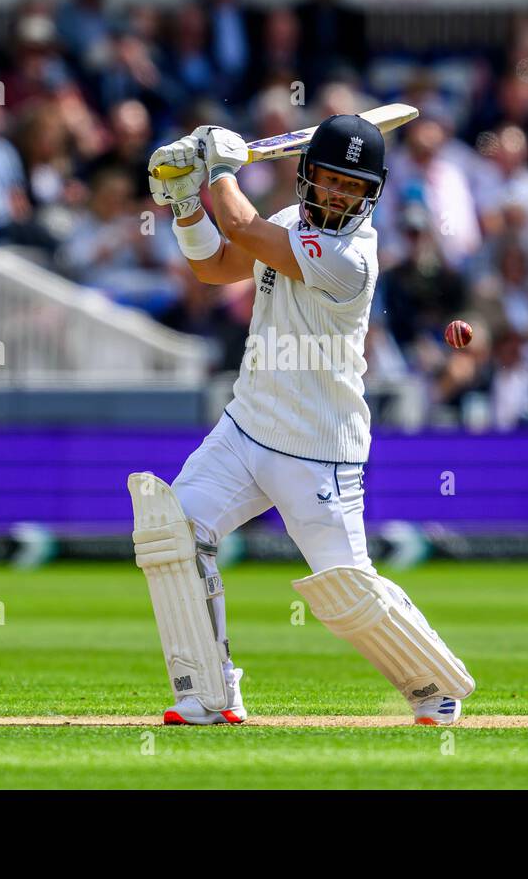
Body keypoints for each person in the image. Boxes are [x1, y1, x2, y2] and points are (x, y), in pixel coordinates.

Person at [129, 114, 474, 727]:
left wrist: (222, 168)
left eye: (353, 187)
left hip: (319, 447)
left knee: (345, 590)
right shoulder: (288, 224)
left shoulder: (351, 259)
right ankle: (210, 693)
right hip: (246, 425)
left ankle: (434, 684)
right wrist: (185, 203)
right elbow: (215, 266)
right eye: (330, 180)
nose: (339, 196)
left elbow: (239, 222)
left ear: (372, 195)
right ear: (307, 175)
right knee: (175, 534)